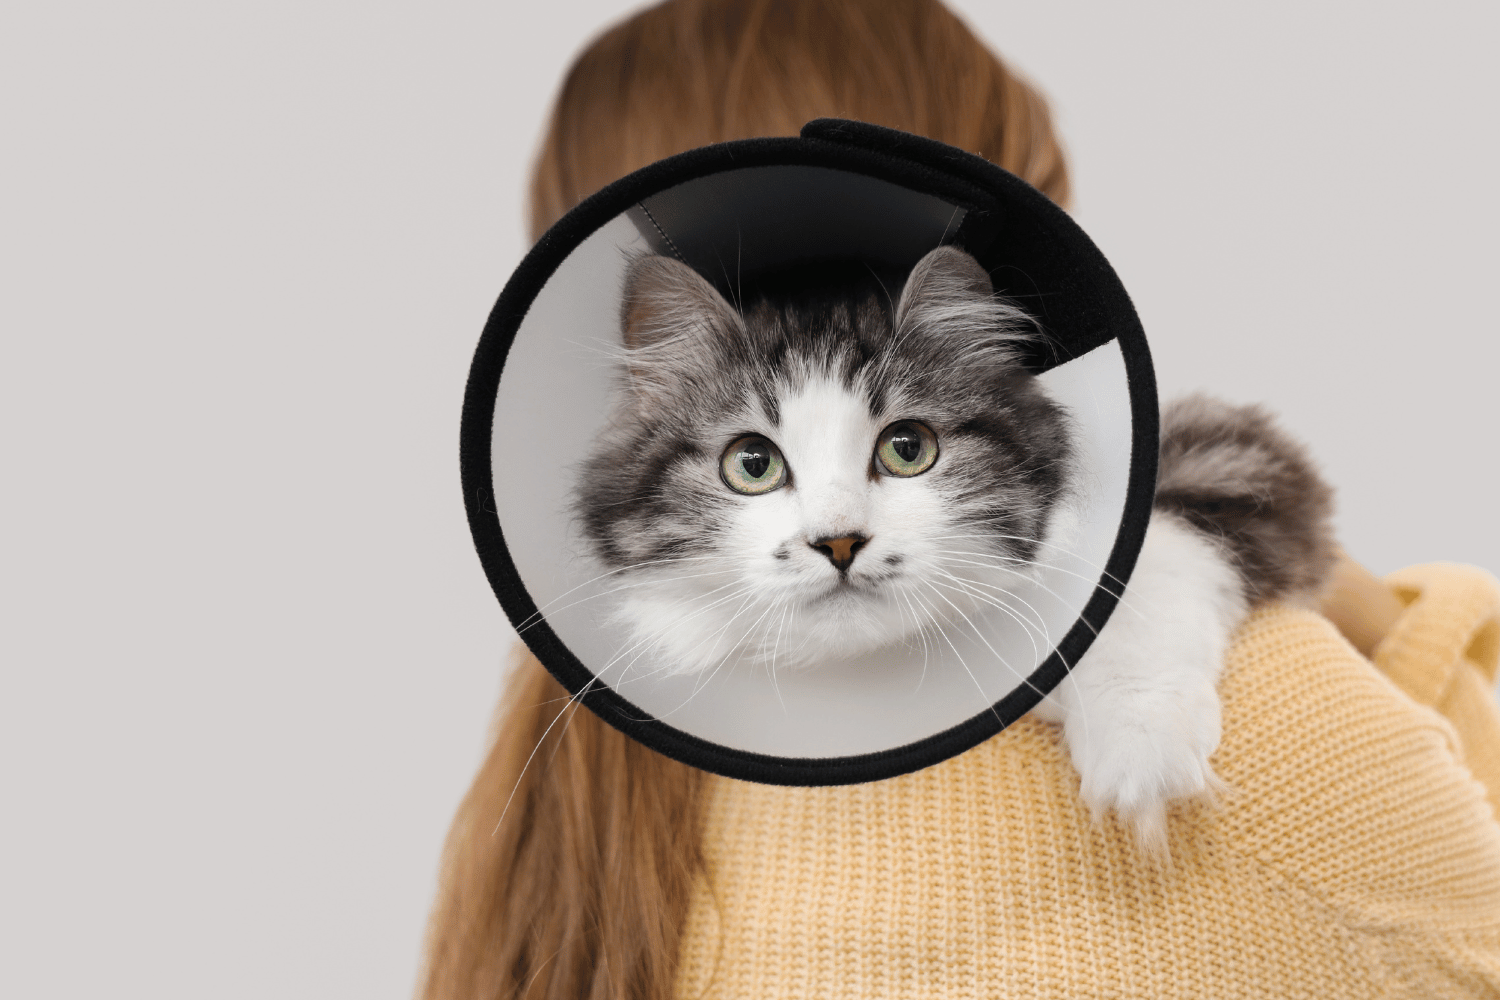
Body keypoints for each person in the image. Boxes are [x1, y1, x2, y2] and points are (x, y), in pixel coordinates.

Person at [420, 2, 1500, 997]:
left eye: (903, 444)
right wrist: (1410, 638)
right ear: (1035, 236)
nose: (837, 532)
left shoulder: (531, 845)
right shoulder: (1250, 742)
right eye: (755, 464)